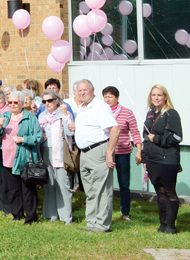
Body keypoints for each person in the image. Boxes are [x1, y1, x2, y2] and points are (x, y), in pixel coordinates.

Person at [73, 79, 120, 232]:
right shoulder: (82, 108)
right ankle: (91, 222)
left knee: (102, 189)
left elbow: (115, 129)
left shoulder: (100, 106)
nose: (82, 93)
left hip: (98, 151)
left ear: (92, 90)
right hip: (85, 153)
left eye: (85, 90)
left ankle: (102, 224)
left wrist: (109, 153)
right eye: (79, 91)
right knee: (90, 190)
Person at [0, 90, 42, 224]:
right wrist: (0, 125)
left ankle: (31, 217)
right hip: (7, 158)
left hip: (24, 159)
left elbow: (38, 138)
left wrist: (23, 139)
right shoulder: (5, 115)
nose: (12, 105)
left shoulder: (30, 118)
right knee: (13, 189)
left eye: (15, 102)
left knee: (28, 189)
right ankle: (17, 214)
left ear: (22, 104)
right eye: (10, 102)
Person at [139, 85, 183, 234]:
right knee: (160, 192)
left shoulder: (171, 113)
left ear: (165, 97)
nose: (156, 98)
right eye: (153, 95)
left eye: (159, 95)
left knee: (169, 191)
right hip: (153, 159)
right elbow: (145, 136)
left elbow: (177, 137)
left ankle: (171, 225)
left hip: (167, 159)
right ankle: (163, 224)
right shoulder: (150, 113)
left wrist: (156, 138)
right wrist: (144, 157)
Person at [102, 86, 142, 222]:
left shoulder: (127, 113)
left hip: (123, 153)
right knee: (104, 184)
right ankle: (105, 210)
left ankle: (125, 212)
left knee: (124, 183)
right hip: (105, 152)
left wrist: (139, 150)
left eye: (110, 97)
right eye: (105, 97)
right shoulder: (101, 112)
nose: (107, 99)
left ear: (117, 98)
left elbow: (135, 132)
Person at [39, 89, 74, 225]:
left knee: (63, 184)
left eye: (50, 100)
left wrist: (65, 116)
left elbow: (69, 132)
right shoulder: (42, 116)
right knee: (49, 184)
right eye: (44, 101)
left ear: (57, 100)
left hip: (60, 152)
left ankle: (66, 217)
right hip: (46, 151)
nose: (47, 103)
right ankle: (51, 214)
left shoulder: (64, 114)